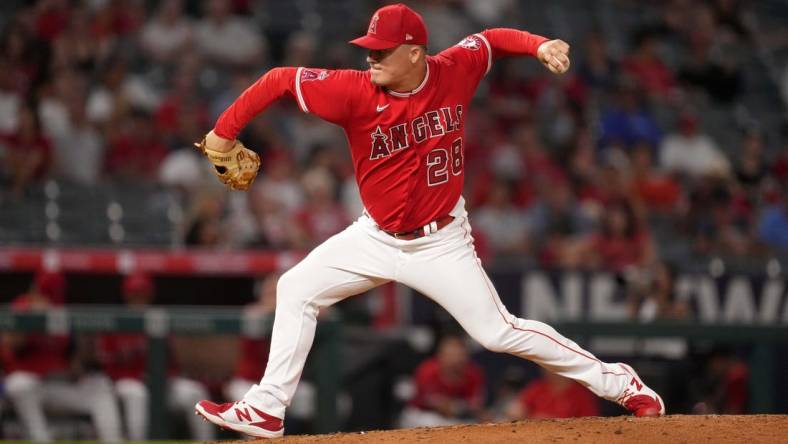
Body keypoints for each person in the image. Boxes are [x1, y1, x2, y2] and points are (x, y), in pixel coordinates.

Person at [194, 4, 664, 438]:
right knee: (295, 288)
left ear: (416, 53)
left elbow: (492, 37)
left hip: (440, 241)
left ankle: (621, 384)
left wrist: (537, 44)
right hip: (374, 235)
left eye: (382, 51)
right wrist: (222, 132)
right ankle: (268, 406)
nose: (371, 59)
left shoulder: (453, 69)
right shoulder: (352, 90)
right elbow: (279, 78)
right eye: (369, 50)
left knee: (496, 332)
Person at [1, 271, 123, 442]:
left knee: (101, 385)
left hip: (58, 384)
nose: (51, 301)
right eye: (48, 294)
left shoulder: (61, 311)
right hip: (30, 387)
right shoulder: (20, 307)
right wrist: (31, 319)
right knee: (19, 384)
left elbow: (75, 364)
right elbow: (9, 345)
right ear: (35, 291)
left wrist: (84, 355)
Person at [96, 272, 214, 441]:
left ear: (149, 295)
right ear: (126, 295)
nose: (139, 299)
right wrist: (138, 377)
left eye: (142, 294)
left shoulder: (158, 320)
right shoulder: (116, 323)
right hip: (127, 382)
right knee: (137, 394)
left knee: (195, 392)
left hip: (160, 384)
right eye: (135, 294)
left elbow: (173, 364)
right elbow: (107, 367)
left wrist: (161, 379)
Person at [398, 335, 485, 428]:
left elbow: (475, 405)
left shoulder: (473, 373)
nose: (455, 359)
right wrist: (451, 406)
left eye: (459, 354)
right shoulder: (428, 370)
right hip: (423, 414)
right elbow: (434, 404)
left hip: (457, 417)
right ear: (441, 355)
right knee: (431, 422)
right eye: (451, 354)